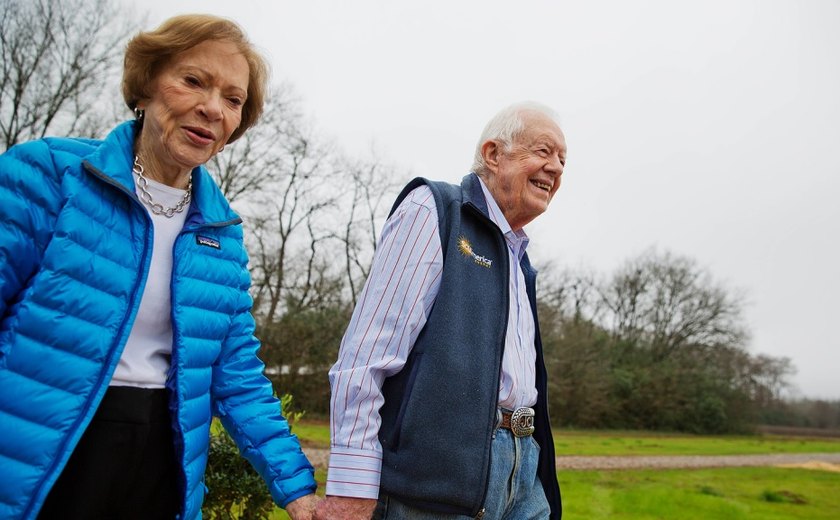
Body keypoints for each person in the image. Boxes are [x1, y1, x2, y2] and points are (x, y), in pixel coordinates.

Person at [0, 14, 318, 520]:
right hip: (46, 454)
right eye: (193, 80)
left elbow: (237, 377)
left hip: (159, 466)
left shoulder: (221, 232)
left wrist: (299, 494)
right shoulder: (47, 175)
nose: (212, 108)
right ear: (146, 86)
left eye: (233, 100)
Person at [315, 102, 567, 520]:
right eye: (543, 151)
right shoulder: (435, 209)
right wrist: (352, 487)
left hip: (524, 477)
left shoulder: (521, 261)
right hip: (435, 488)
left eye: (562, 159)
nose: (556, 167)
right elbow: (364, 359)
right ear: (493, 154)